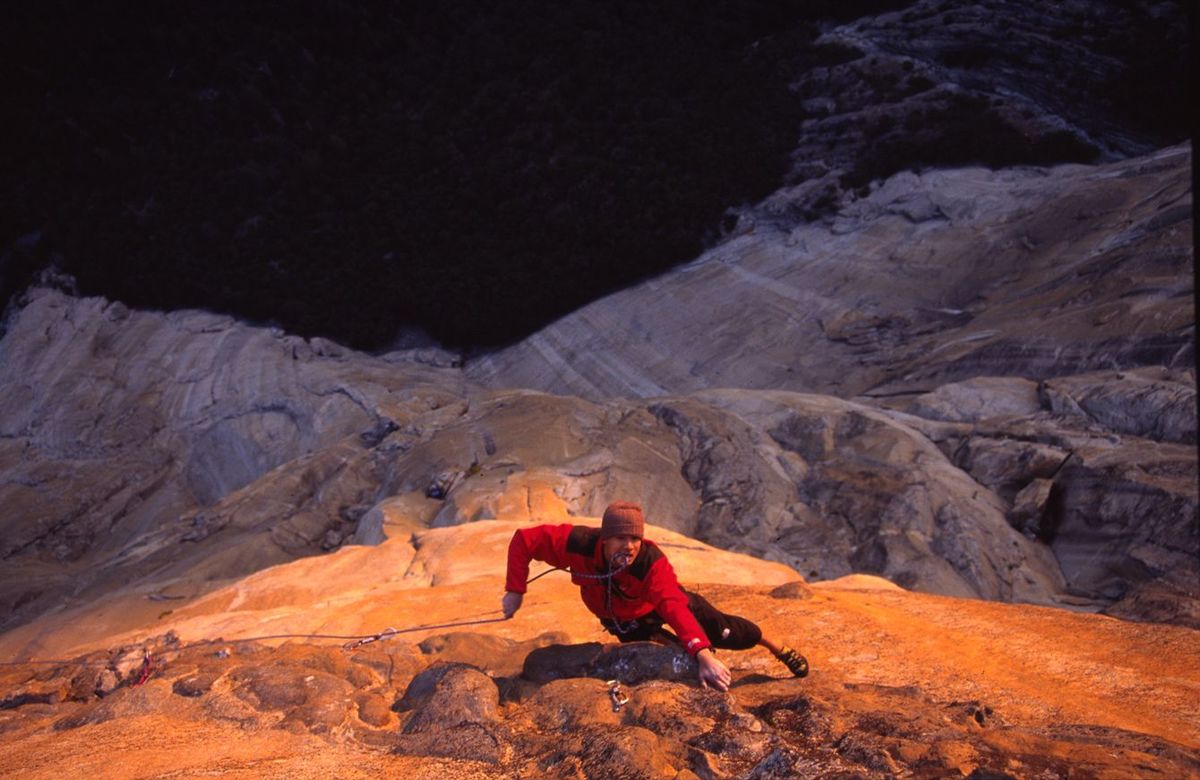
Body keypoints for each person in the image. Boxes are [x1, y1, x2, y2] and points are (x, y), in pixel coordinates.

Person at [501, 501, 809, 692]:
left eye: (636, 538)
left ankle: (775, 645)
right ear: (605, 538)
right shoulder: (576, 542)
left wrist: (701, 649)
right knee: (669, 658)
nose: (631, 546)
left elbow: (672, 606)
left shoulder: (651, 563)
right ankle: (700, 655)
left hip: (662, 605)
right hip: (621, 619)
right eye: (622, 538)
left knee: (723, 631)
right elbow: (523, 541)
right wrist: (515, 590)